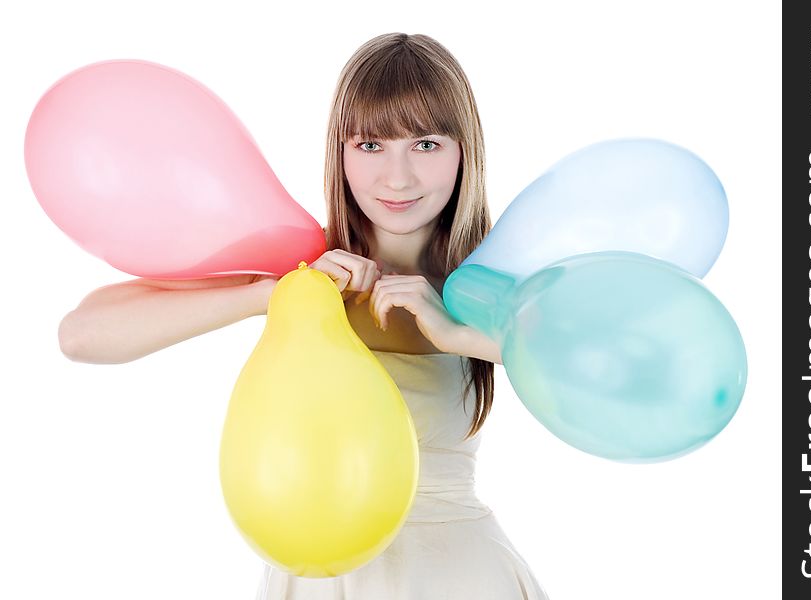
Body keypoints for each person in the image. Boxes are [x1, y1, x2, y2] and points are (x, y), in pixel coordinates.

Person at [58, 32, 549, 600]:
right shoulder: (303, 263)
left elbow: (609, 359)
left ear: (466, 150)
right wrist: (276, 292)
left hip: (458, 576)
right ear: (339, 152)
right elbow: (82, 335)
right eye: (371, 145)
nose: (398, 178)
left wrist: (454, 331)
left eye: (426, 143)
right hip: (319, 576)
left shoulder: (489, 281)